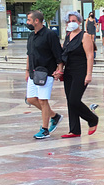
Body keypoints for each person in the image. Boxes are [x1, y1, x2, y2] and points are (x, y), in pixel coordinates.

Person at [25, 10, 64, 139]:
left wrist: (59, 70)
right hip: (33, 72)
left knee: (43, 100)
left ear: (37, 21)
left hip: (46, 72)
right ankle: (54, 116)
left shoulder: (50, 35)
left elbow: (58, 54)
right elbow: (29, 54)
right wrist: (26, 70)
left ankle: (45, 129)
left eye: (29, 20)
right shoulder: (31, 36)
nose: (27, 22)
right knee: (30, 99)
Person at [60, 11, 99, 138]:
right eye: (69, 21)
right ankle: (74, 129)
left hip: (81, 71)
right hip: (69, 71)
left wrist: (89, 74)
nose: (71, 23)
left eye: (74, 21)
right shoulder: (67, 36)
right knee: (69, 101)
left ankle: (92, 119)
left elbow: (89, 55)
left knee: (74, 99)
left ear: (79, 22)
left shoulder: (85, 36)